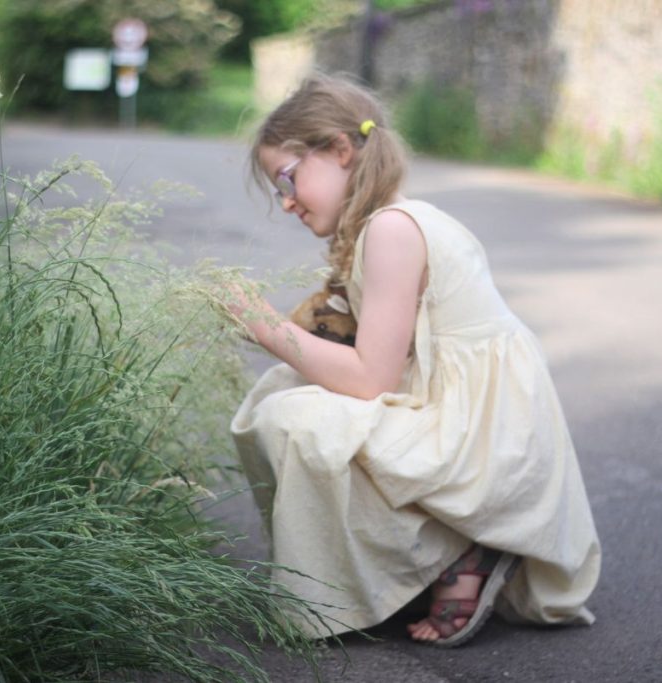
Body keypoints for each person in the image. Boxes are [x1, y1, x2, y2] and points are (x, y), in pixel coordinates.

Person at [225, 73, 600, 647]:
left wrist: (263, 325)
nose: (286, 201)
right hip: (471, 422)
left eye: (288, 177)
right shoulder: (388, 224)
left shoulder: (393, 230)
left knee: (294, 420)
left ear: (340, 151)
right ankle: (427, 556)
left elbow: (372, 380)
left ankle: (455, 546)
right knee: (287, 390)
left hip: (484, 443)